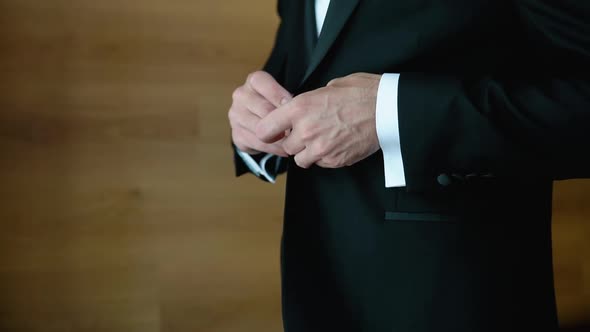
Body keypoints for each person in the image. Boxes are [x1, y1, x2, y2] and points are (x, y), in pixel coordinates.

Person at [228, 1, 590, 331]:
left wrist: (392, 114)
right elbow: (304, 70)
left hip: (451, 296)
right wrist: (255, 125)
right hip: (315, 284)